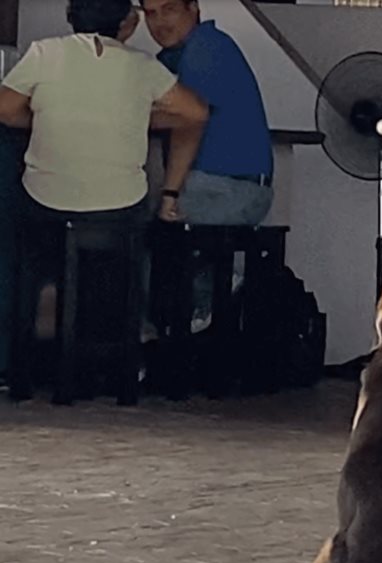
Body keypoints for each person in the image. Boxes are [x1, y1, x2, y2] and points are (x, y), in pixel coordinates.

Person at [0, 0, 206, 368]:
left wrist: (49, 119)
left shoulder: (44, 52)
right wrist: (133, 115)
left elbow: (5, 109)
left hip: (45, 204)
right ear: (128, 22)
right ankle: (114, 360)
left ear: (69, 17)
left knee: (15, 221)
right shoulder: (141, 65)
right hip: (117, 208)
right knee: (114, 248)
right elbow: (195, 112)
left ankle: (20, 355)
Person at [140, 0, 273, 226]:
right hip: (221, 185)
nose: (160, 22)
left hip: (228, 188)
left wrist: (124, 115)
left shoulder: (205, 47)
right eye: (151, 14)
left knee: (134, 232)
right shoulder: (173, 57)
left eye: (169, 9)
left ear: (193, 7)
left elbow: (188, 121)